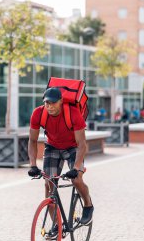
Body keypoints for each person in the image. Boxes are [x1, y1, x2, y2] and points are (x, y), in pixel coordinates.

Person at [28, 87, 94, 228]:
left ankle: (88, 206)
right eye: (47, 103)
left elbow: (82, 144)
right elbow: (32, 141)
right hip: (52, 147)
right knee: (49, 185)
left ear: (61, 101)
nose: (50, 106)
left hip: (73, 147)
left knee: (76, 179)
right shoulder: (38, 113)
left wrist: (76, 168)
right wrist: (33, 165)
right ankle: (57, 226)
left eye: (53, 103)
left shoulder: (73, 113)